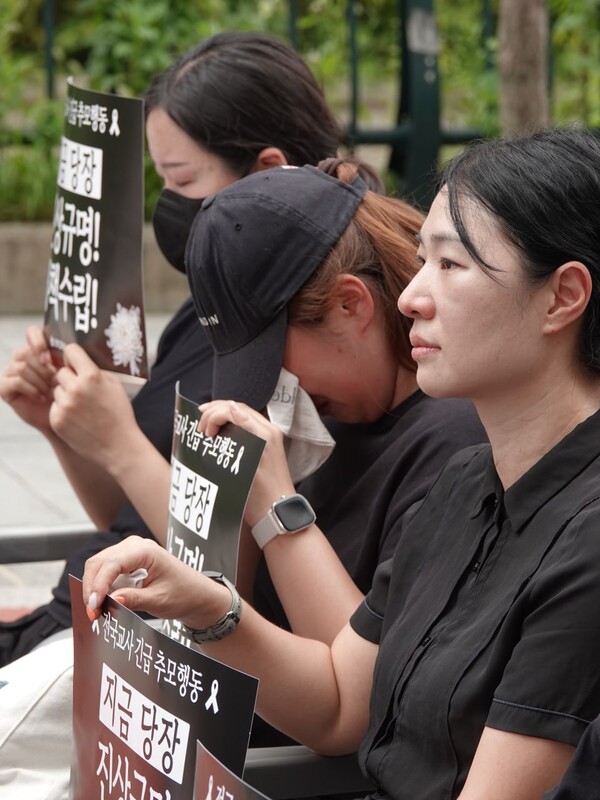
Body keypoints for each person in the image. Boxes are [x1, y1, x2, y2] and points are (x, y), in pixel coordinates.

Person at [84, 127, 600, 800]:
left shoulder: (585, 541)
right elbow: (337, 707)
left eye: (451, 265)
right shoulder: (467, 483)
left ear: (562, 297)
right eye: (421, 262)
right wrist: (210, 608)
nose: (411, 295)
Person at [0, 30, 342, 664]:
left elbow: (219, 568)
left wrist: (120, 442)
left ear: (267, 170)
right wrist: (65, 426)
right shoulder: (208, 303)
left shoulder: (298, 337)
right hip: (85, 613)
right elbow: (126, 516)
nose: (167, 204)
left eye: (179, 178)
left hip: (143, 650)